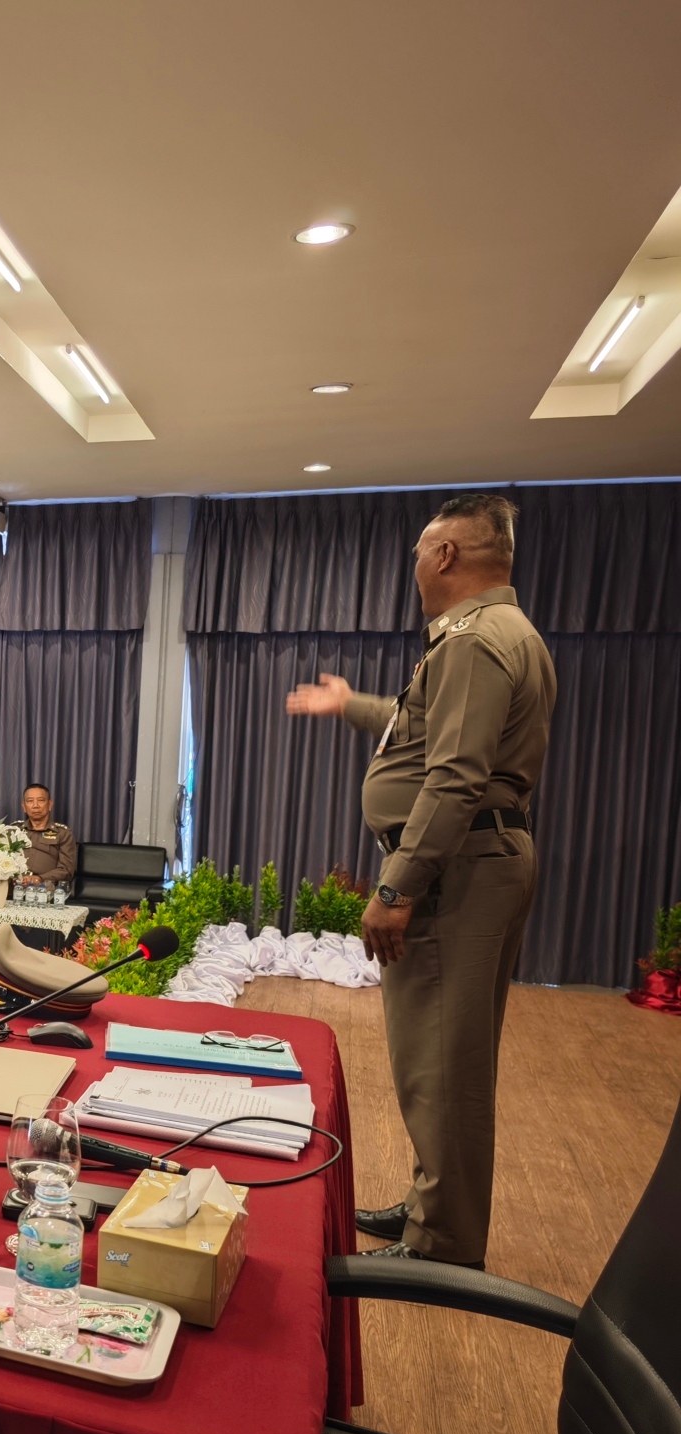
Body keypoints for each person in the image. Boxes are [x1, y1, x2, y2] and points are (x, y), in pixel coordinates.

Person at [286, 492, 556, 1268]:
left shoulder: (473, 640)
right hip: (477, 860)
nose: (415, 569)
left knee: (441, 1063)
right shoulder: (503, 632)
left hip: (455, 870)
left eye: (417, 554)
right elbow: (429, 732)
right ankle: (432, 1205)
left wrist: (397, 887)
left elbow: (455, 775)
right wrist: (352, 706)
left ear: (445, 555)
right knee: (449, 1056)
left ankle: (441, 1243)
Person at [13, 784, 78, 891]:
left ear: (50, 804)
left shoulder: (63, 833)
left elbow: (66, 870)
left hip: (44, 887)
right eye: (30, 801)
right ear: (24, 806)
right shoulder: (14, 830)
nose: (35, 805)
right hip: (14, 885)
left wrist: (39, 878)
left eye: (41, 800)